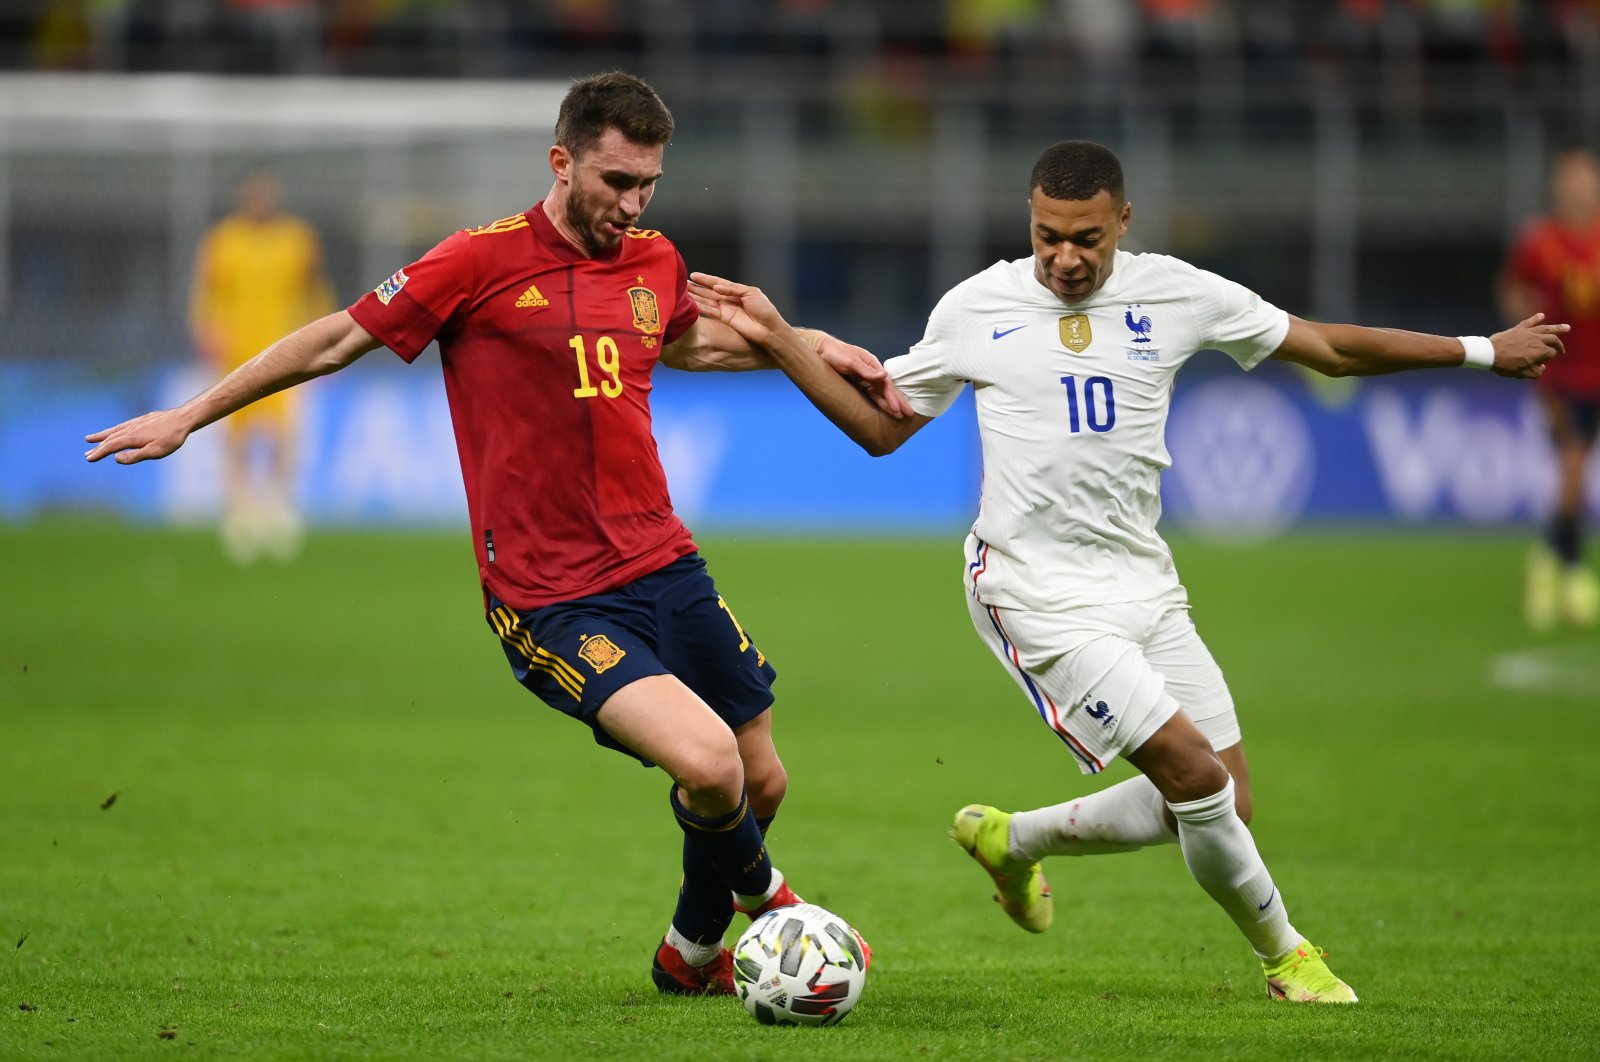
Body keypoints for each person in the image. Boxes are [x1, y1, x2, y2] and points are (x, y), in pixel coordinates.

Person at [689, 139, 1565, 1004]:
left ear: (1124, 224)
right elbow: (881, 428)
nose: (1065, 258)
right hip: (1031, 590)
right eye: (1047, 237)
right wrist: (777, 335)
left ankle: (1014, 839)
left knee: (1228, 801)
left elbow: (1328, 349)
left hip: (1144, 581)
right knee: (1196, 782)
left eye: (1087, 240)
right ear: (1029, 223)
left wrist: (1481, 350)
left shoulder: (1179, 293)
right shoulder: (976, 307)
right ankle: (1289, 958)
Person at [87, 72, 894, 996]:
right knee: (710, 766)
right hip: (552, 595)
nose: (631, 206)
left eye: (648, 186)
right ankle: (785, 916)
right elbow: (335, 339)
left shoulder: (653, 261)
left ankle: (692, 956)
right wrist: (193, 412)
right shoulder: (476, 261)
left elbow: (687, 342)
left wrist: (813, 342)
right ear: (561, 162)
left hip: (665, 560)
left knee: (761, 777)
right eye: (614, 182)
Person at [189, 172, 333, 563]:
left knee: (285, 435)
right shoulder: (223, 241)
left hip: (287, 348)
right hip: (237, 351)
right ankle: (239, 513)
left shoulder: (296, 240)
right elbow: (207, 291)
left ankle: (278, 509)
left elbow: (314, 288)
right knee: (235, 434)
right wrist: (207, 330)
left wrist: (326, 338)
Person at [1499, 147, 1600, 630]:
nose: (1581, 187)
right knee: (1573, 470)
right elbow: (1513, 286)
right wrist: (1524, 330)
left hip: (1598, 375)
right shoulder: (1540, 241)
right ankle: (1570, 569)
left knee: (1575, 476)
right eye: (1572, 179)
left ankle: (1550, 557)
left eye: (1587, 178)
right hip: (1559, 378)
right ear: (1559, 186)